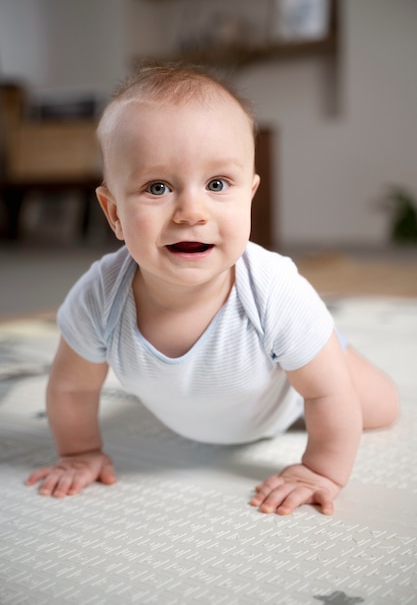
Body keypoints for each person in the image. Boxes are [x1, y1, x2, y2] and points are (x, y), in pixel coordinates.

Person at [25, 62, 399, 515]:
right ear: (114, 212)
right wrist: (80, 452)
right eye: (158, 187)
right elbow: (71, 389)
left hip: (289, 389)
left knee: (378, 409)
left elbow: (327, 395)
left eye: (217, 184)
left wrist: (320, 469)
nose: (191, 212)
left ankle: (326, 346)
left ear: (249, 196)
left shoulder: (273, 290)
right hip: (210, 412)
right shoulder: (100, 296)